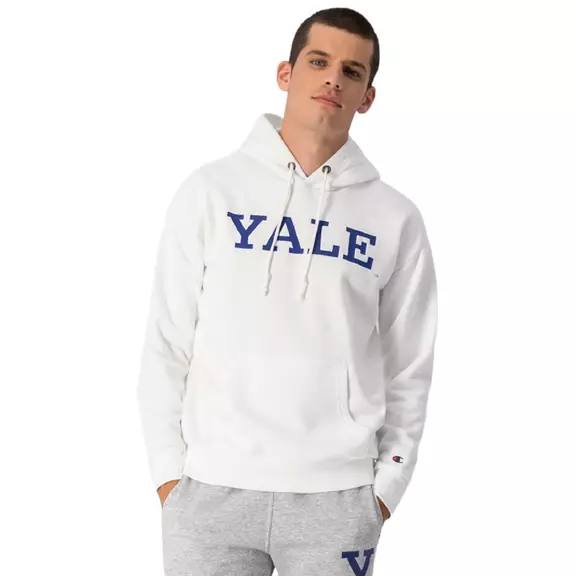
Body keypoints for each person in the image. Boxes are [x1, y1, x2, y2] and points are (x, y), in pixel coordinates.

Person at [137, 7, 438, 576]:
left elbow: (410, 364)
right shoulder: (211, 192)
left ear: (368, 97)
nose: (333, 79)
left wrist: (386, 489)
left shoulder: (394, 218)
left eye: (352, 71)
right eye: (318, 62)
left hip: (337, 499)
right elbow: (166, 340)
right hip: (209, 492)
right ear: (286, 73)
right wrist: (168, 475)